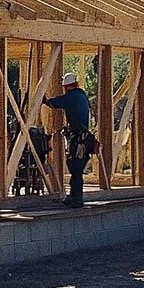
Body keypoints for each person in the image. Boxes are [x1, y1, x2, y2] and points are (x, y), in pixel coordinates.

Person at [43, 72, 94, 208]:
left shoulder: (71, 97)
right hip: (83, 137)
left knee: (75, 168)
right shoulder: (82, 95)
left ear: (66, 86)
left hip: (78, 139)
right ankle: (74, 196)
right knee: (76, 168)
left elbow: (54, 103)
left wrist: (44, 100)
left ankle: (76, 199)